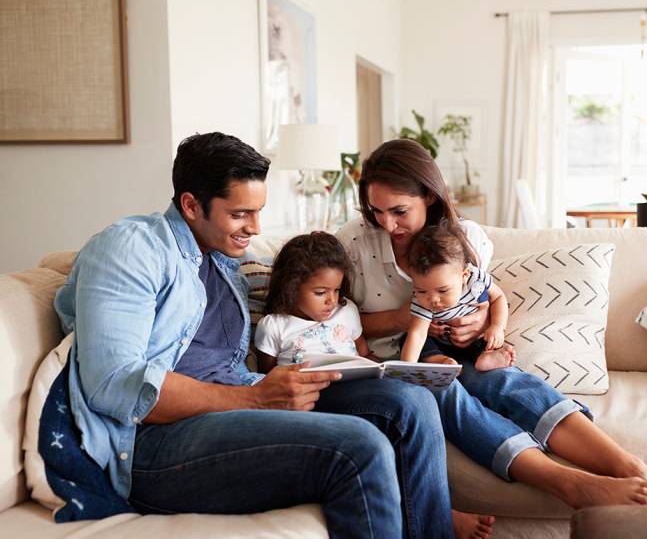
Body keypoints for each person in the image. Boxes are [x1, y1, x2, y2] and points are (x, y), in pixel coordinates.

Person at [54, 132, 493, 539]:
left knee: (410, 401)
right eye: (240, 214)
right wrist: (254, 398)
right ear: (191, 205)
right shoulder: (132, 248)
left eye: (258, 212)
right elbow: (114, 384)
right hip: (156, 442)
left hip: (240, 401)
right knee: (360, 448)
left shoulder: (224, 263)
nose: (256, 228)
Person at [337, 138, 647, 509]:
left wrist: (479, 324)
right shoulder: (353, 242)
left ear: (429, 196)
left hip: (460, 349)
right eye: (376, 210)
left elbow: (482, 299)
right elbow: (333, 323)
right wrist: (404, 318)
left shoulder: (465, 238)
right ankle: (568, 484)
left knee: (505, 381)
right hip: (395, 362)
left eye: (399, 211)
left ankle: (632, 468)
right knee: (441, 390)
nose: (387, 224)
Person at [400, 221, 516, 372]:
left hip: (473, 339)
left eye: (443, 290)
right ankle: (439, 361)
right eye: (421, 291)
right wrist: (406, 370)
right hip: (440, 344)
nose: (433, 299)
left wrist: (497, 327)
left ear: (464, 276)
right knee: (408, 339)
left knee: (487, 340)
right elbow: (418, 334)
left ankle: (486, 357)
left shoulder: (475, 281)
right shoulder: (421, 301)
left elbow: (498, 297)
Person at [253, 231, 371, 368]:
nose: (332, 301)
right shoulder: (273, 326)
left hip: (357, 379)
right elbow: (268, 375)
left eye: (336, 290)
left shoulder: (346, 310)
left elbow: (365, 356)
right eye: (320, 293)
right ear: (291, 288)